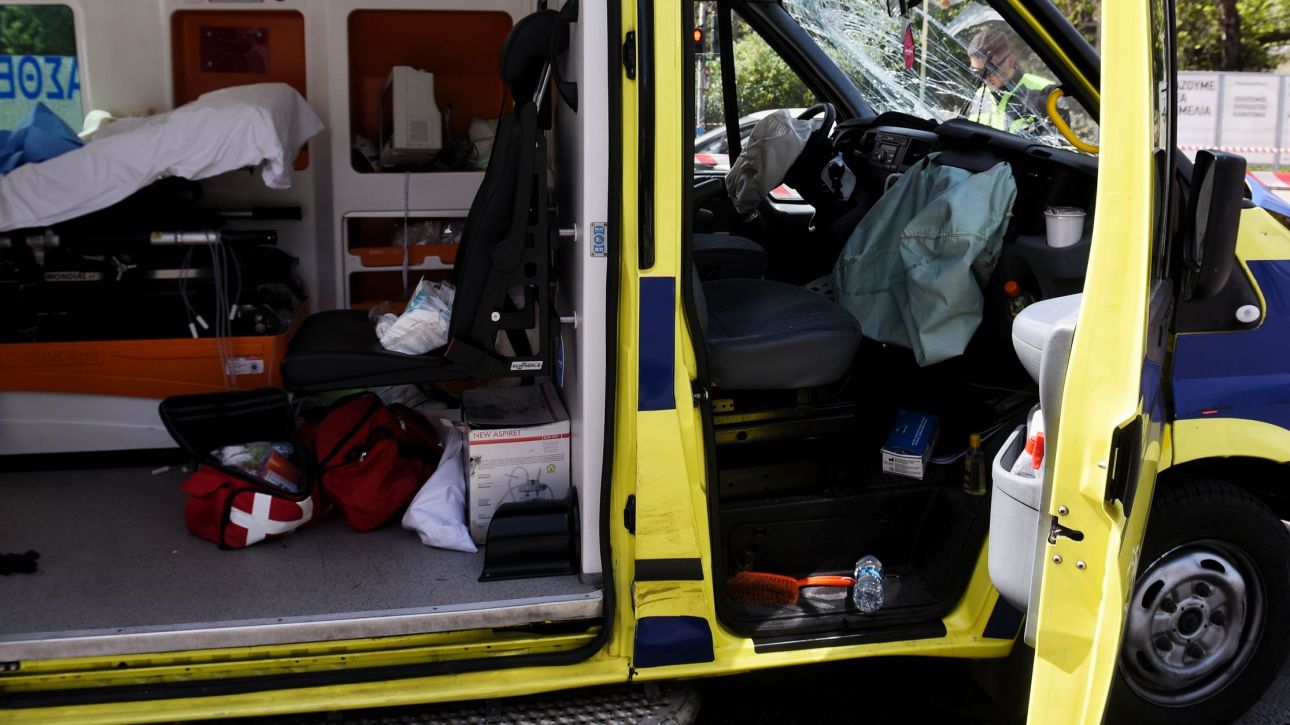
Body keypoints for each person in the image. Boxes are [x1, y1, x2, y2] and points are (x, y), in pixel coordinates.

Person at [964, 28, 1059, 134]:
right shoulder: (979, 96)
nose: (983, 78)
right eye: (976, 72)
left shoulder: (1046, 92)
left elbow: (1058, 141)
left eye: (990, 71)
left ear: (1011, 61)